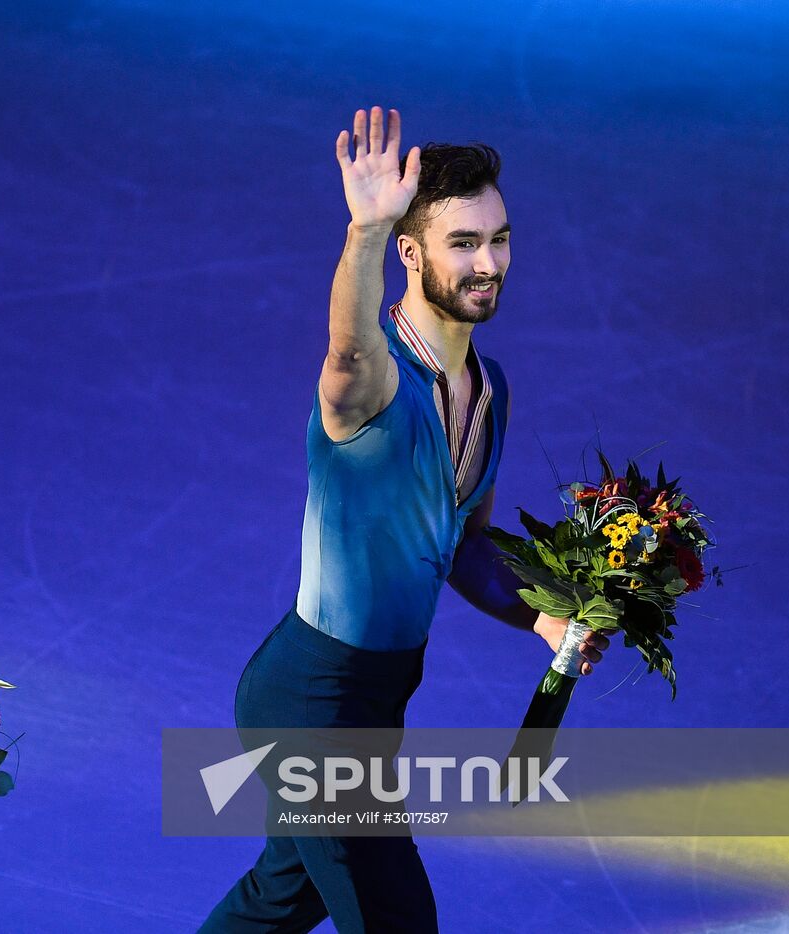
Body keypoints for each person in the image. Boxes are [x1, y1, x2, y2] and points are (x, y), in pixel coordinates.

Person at [198, 107, 611, 932]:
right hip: (312, 699)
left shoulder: (489, 391)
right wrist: (363, 234)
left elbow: (464, 549)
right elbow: (345, 354)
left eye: (498, 239)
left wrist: (541, 616)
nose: (488, 263)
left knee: (283, 895)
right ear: (411, 255)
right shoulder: (371, 386)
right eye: (463, 243)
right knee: (395, 916)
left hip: (378, 697)